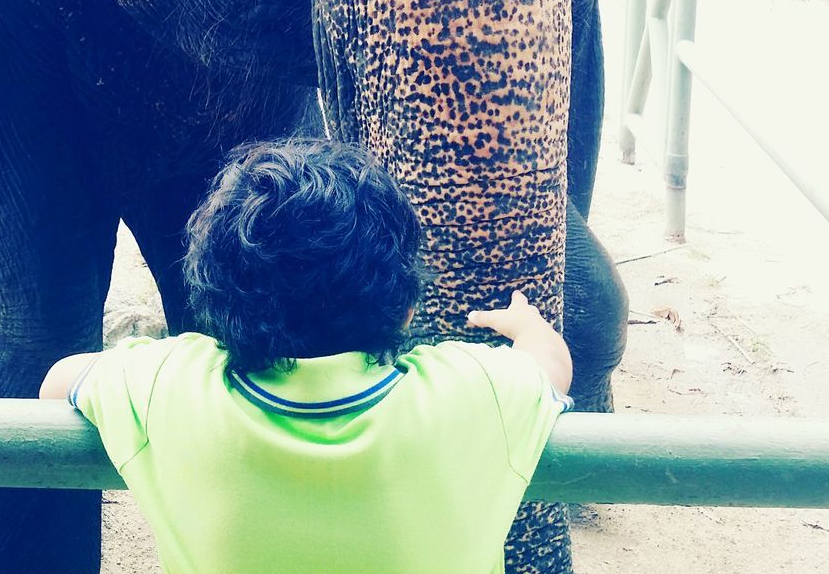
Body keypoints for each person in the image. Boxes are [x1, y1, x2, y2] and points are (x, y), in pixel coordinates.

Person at [40, 137, 573, 574]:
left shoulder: (167, 385)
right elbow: (552, 368)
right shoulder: (475, 392)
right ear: (406, 306)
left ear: (215, 303)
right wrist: (526, 326)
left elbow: (58, 383)